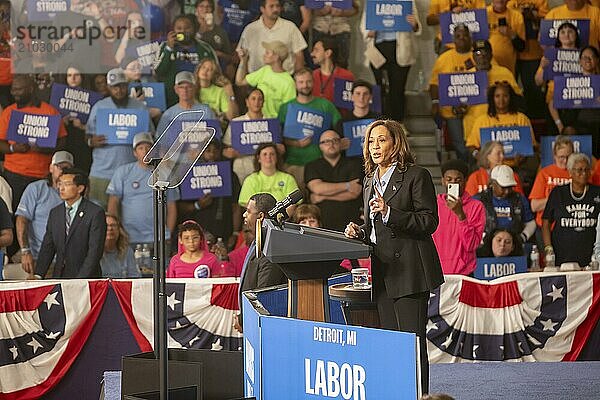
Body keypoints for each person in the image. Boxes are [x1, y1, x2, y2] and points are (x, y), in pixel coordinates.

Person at [344, 119, 443, 394]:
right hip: (384, 272)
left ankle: (420, 396)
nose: (374, 147)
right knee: (391, 343)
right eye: (370, 141)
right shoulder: (368, 181)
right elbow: (375, 228)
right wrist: (360, 232)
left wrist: (390, 213)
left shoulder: (416, 175)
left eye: (381, 140)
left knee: (410, 342)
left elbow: (428, 221)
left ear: (395, 143)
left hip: (410, 270)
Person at [86, 68, 154, 209]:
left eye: (122, 86)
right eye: (115, 87)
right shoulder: (99, 107)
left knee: (129, 217)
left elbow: (151, 137)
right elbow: (87, 135)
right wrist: (91, 141)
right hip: (102, 172)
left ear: (127, 86)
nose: (119, 90)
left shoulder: (140, 108)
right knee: (98, 217)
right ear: (109, 88)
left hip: (132, 172)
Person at [0, 75, 68, 211]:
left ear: (30, 89)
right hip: (14, 174)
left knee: (40, 214)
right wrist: (13, 148)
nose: (14, 93)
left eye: (19, 90)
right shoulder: (9, 112)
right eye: (13, 90)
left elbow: (63, 141)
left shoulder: (50, 111)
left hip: (42, 175)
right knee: (13, 213)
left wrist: (46, 149)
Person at [107, 132, 179, 248]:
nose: (145, 151)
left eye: (148, 147)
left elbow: (171, 206)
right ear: (135, 153)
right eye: (140, 148)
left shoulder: (165, 173)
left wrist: (168, 233)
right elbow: (113, 202)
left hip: (159, 237)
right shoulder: (123, 172)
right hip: (129, 237)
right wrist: (118, 231)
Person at [35, 168, 107, 279]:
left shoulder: (95, 213)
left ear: (80, 188)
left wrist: (80, 280)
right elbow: (48, 247)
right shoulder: (55, 213)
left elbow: (95, 251)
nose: (61, 188)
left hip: (86, 280)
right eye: (60, 183)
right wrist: (38, 274)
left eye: (67, 184)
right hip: (60, 276)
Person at [279, 68, 341, 188]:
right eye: (301, 82)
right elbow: (278, 138)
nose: (305, 85)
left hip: (320, 161)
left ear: (313, 82)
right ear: (295, 84)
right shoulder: (285, 108)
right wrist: (295, 143)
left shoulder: (325, 105)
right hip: (293, 162)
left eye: (308, 81)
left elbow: (339, 128)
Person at [16, 151, 74, 276]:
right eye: (60, 167)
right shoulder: (36, 188)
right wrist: (25, 251)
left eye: (68, 168)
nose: (64, 171)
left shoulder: (75, 193)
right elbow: (21, 219)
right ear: (51, 168)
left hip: (68, 261)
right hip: (40, 258)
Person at [177, 140, 242, 250]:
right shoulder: (189, 175)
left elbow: (236, 207)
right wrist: (197, 205)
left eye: (215, 151)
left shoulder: (230, 175)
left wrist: (235, 233)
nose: (212, 154)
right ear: (201, 152)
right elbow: (179, 207)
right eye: (208, 151)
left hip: (224, 234)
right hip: (197, 236)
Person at [363, 0, 420, 122]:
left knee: (398, 88)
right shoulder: (373, 2)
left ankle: (398, 123)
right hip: (378, 48)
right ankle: (382, 123)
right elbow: (364, 25)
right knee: (380, 89)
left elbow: (417, 26)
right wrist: (369, 31)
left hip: (400, 49)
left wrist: (414, 24)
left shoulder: (406, 1)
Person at [237, 192, 287, 330]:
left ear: (260, 216)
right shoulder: (258, 242)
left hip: (261, 324)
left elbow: (263, 293)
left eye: (248, 211)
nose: (244, 215)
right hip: (250, 318)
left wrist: (243, 320)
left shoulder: (270, 247)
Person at [542, 153, 600, 269]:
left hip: (591, 259)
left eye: (586, 170)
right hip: (561, 257)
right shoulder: (558, 193)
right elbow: (546, 223)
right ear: (570, 172)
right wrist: (548, 248)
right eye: (579, 170)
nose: (583, 173)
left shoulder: (597, 192)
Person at [429, 24, 476, 163]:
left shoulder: (478, 55)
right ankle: (465, 172)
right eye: (458, 36)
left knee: (473, 145)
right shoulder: (444, 58)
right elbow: (433, 84)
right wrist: (435, 102)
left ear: (470, 37)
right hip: (451, 110)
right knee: (459, 145)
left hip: (474, 110)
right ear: (453, 39)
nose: (462, 39)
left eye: (465, 35)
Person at [432, 159, 486, 275]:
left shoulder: (476, 207)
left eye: (458, 180)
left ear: (465, 181)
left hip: (464, 272)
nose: (453, 183)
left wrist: (461, 215)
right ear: (442, 181)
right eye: (449, 179)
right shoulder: (433, 205)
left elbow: (471, 245)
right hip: (437, 272)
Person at [154, 14, 218, 107]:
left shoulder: (205, 49)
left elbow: (215, 74)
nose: (183, 31)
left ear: (194, 29)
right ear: (173, 30)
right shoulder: (165, 46)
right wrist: (169, 49)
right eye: (179, 28)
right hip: (171, 99)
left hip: (200, 99)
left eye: (187, 28)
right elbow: (158, 71)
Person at [304, 129, 363, 231]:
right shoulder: (312, 166)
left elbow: (355, 192)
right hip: (322, 222)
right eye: (326, 142)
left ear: (341, 143)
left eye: (335, 140)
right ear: (320, 146)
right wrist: (348, 185)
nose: (331, 144)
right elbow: (317, 189)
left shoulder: (355, 164)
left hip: (351, 221)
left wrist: (322, 196)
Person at [222, 88, 285, 182]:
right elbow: (225, 147)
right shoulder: (236, 123)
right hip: (242, 166)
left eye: (260, 99)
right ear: (247, 102)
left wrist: (280, 149)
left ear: (263, 102)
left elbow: (279, 146)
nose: (257, 102)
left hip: (267, 167)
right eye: (253, 99)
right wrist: (228, 152)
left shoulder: (272, 123)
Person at [534, 22, 581, 135]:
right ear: (558, 36)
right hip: (554, 103)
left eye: (570, 31)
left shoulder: (584, 55)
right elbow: (538, 82)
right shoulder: (550, 55)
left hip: (578, 100)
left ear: (576, 35)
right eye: (563, 32)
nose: (566, 34)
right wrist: (543, 67)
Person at [236, 0, 307, 74]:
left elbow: (299, 55)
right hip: (256, 79)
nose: (275, 9)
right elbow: (243, 55)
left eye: (277, 6)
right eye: (271, 6)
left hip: (284, 79)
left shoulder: (290, 27)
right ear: (262, 9)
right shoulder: (250, 29)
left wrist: (297, 77)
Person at [474, 164, 536, 245]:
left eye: (510, 187)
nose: (507, 191)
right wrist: (482, 238)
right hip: (485, 247)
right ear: (493, 183)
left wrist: (522, 237)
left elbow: (530, 223)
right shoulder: (478, 200)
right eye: (503, 187)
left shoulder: (519, 199)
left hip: (513, 246)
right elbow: (468, 225)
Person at [557, 46, 600, 158]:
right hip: (579, 123)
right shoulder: (570, 82)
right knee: (569, 130)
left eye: (591, 57)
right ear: (580, 61)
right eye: (585, 57)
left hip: (598, 121)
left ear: (597, 60)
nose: (588, 60)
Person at [509, 0, 549, 119]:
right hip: (512, 54)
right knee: (513, 91)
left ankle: (536, 122)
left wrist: (532, 15)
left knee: (534, 91)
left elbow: (548, 23)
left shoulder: (541, 1)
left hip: (534, 53)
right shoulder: (511, 3)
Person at [235, 40, 296, 118]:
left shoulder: (288, 82)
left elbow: (289, 112)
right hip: (256, 118)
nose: (264, 55)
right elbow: (239, 81)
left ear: (276, 57)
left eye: (267, 52)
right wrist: (243, 60)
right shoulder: (265, 70)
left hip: (274, 124)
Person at [529, 135, 573, 229]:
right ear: (554, 156)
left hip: (570, 226)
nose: (565, 161)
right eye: (561, 157)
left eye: (568, 156)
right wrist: (559, 198)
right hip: (546, 227)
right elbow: (534, 206)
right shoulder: (544, 173)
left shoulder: (579, 173)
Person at [156, 71, 217, 137]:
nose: (185, 90)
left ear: (195, 88)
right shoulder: (168, 115)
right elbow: (161, 142)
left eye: (189, 87)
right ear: (176, 89)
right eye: (181, 87)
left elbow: (215, 138)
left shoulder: (206, 112)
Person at [238, 143, 299, 208]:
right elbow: (247, 204)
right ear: (259, 158)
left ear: (277, 157)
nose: (268, 157)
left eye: (272, 154)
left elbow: (293, 203)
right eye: (265, 154)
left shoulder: (288, 178)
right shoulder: (250, 180)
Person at [311, 1, 358, 68]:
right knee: (317, 63)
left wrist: (342, 12)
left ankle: (340, 78)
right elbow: (306, 7)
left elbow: (356, 10)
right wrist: (318, 11)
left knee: (342, 63)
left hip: (341, 30)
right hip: (319, 28)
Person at [310, 33, 354, 104]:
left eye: (316, 50)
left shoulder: (345, 76)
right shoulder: (312, 76)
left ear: (328, 53)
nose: (312, 54)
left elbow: (346, 106)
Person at [486, 0, 525, 75]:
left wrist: (511, 34)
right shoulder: (484, 14)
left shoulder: (516, 16)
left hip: (508, 67)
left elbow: (521, 47)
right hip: (487, 67)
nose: (500, 0)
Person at [195, 58, 239, 122]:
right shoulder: (190, 89)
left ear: (214, 74)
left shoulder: (220, 91)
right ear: (198, 69)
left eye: (210, 70)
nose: (205, 71)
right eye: (203, 67)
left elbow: (232, 117)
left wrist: (230, 93)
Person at [101, 213, 140, 278]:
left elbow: (134, 277)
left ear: (119, 229)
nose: (110, 228)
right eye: (106, 225)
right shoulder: (93, 251)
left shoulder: (127, 251)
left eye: (113, 225)